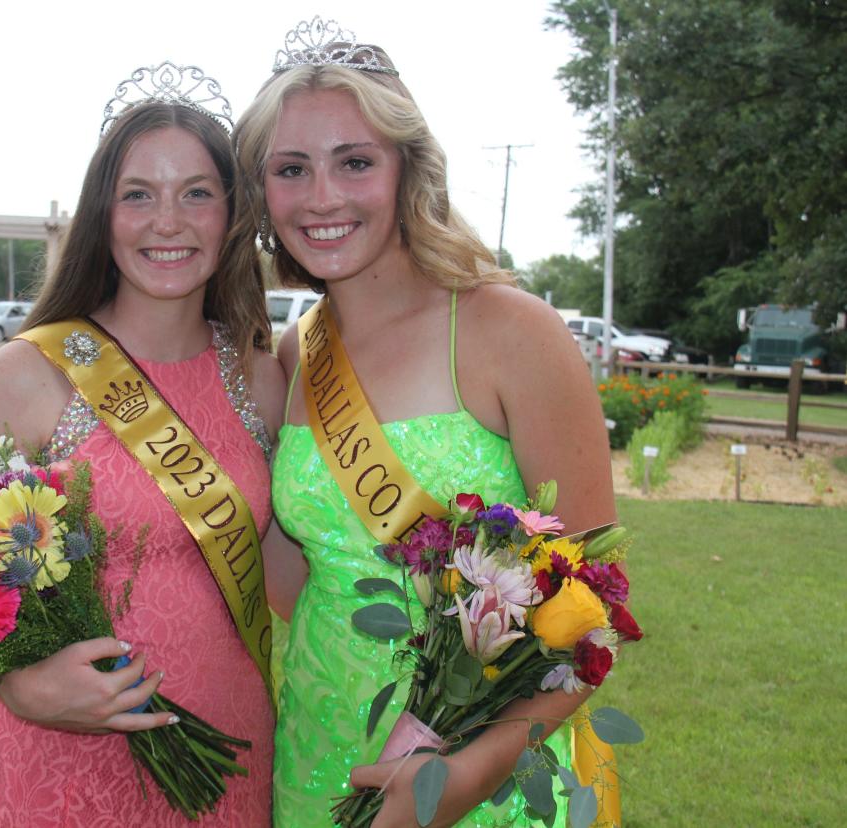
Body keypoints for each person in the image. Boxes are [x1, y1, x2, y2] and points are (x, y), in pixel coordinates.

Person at [235, 18, 619, 828]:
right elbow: (298, 579)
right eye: (292, 169)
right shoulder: (297, 353)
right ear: (262, 191)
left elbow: (594, 611)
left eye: (355, 163)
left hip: (485, 774)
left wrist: (459, 779)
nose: (323, 197)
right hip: (322, 751)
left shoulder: (510, 332)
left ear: (408, 170)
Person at [0, 62, 284, 826]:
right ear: (103, 214)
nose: (167, 221)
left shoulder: (262, 380)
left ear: (231, 214)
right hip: (60, 761)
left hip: (228, 753)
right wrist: (22, 687)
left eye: (196, 192)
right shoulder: (29, 373)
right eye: (139, 194)